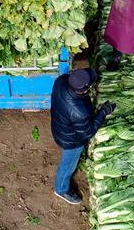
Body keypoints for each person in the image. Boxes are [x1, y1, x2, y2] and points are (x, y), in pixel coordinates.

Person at [49, 67, 115, 204]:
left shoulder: (60, 81)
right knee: (68, 163)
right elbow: (87, 132)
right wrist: (103, 112)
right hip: (71, 141)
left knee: (68, 161)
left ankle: (62, 185)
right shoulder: (79, 111)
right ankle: (60, 189)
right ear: (85, 90)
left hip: (59, 126)